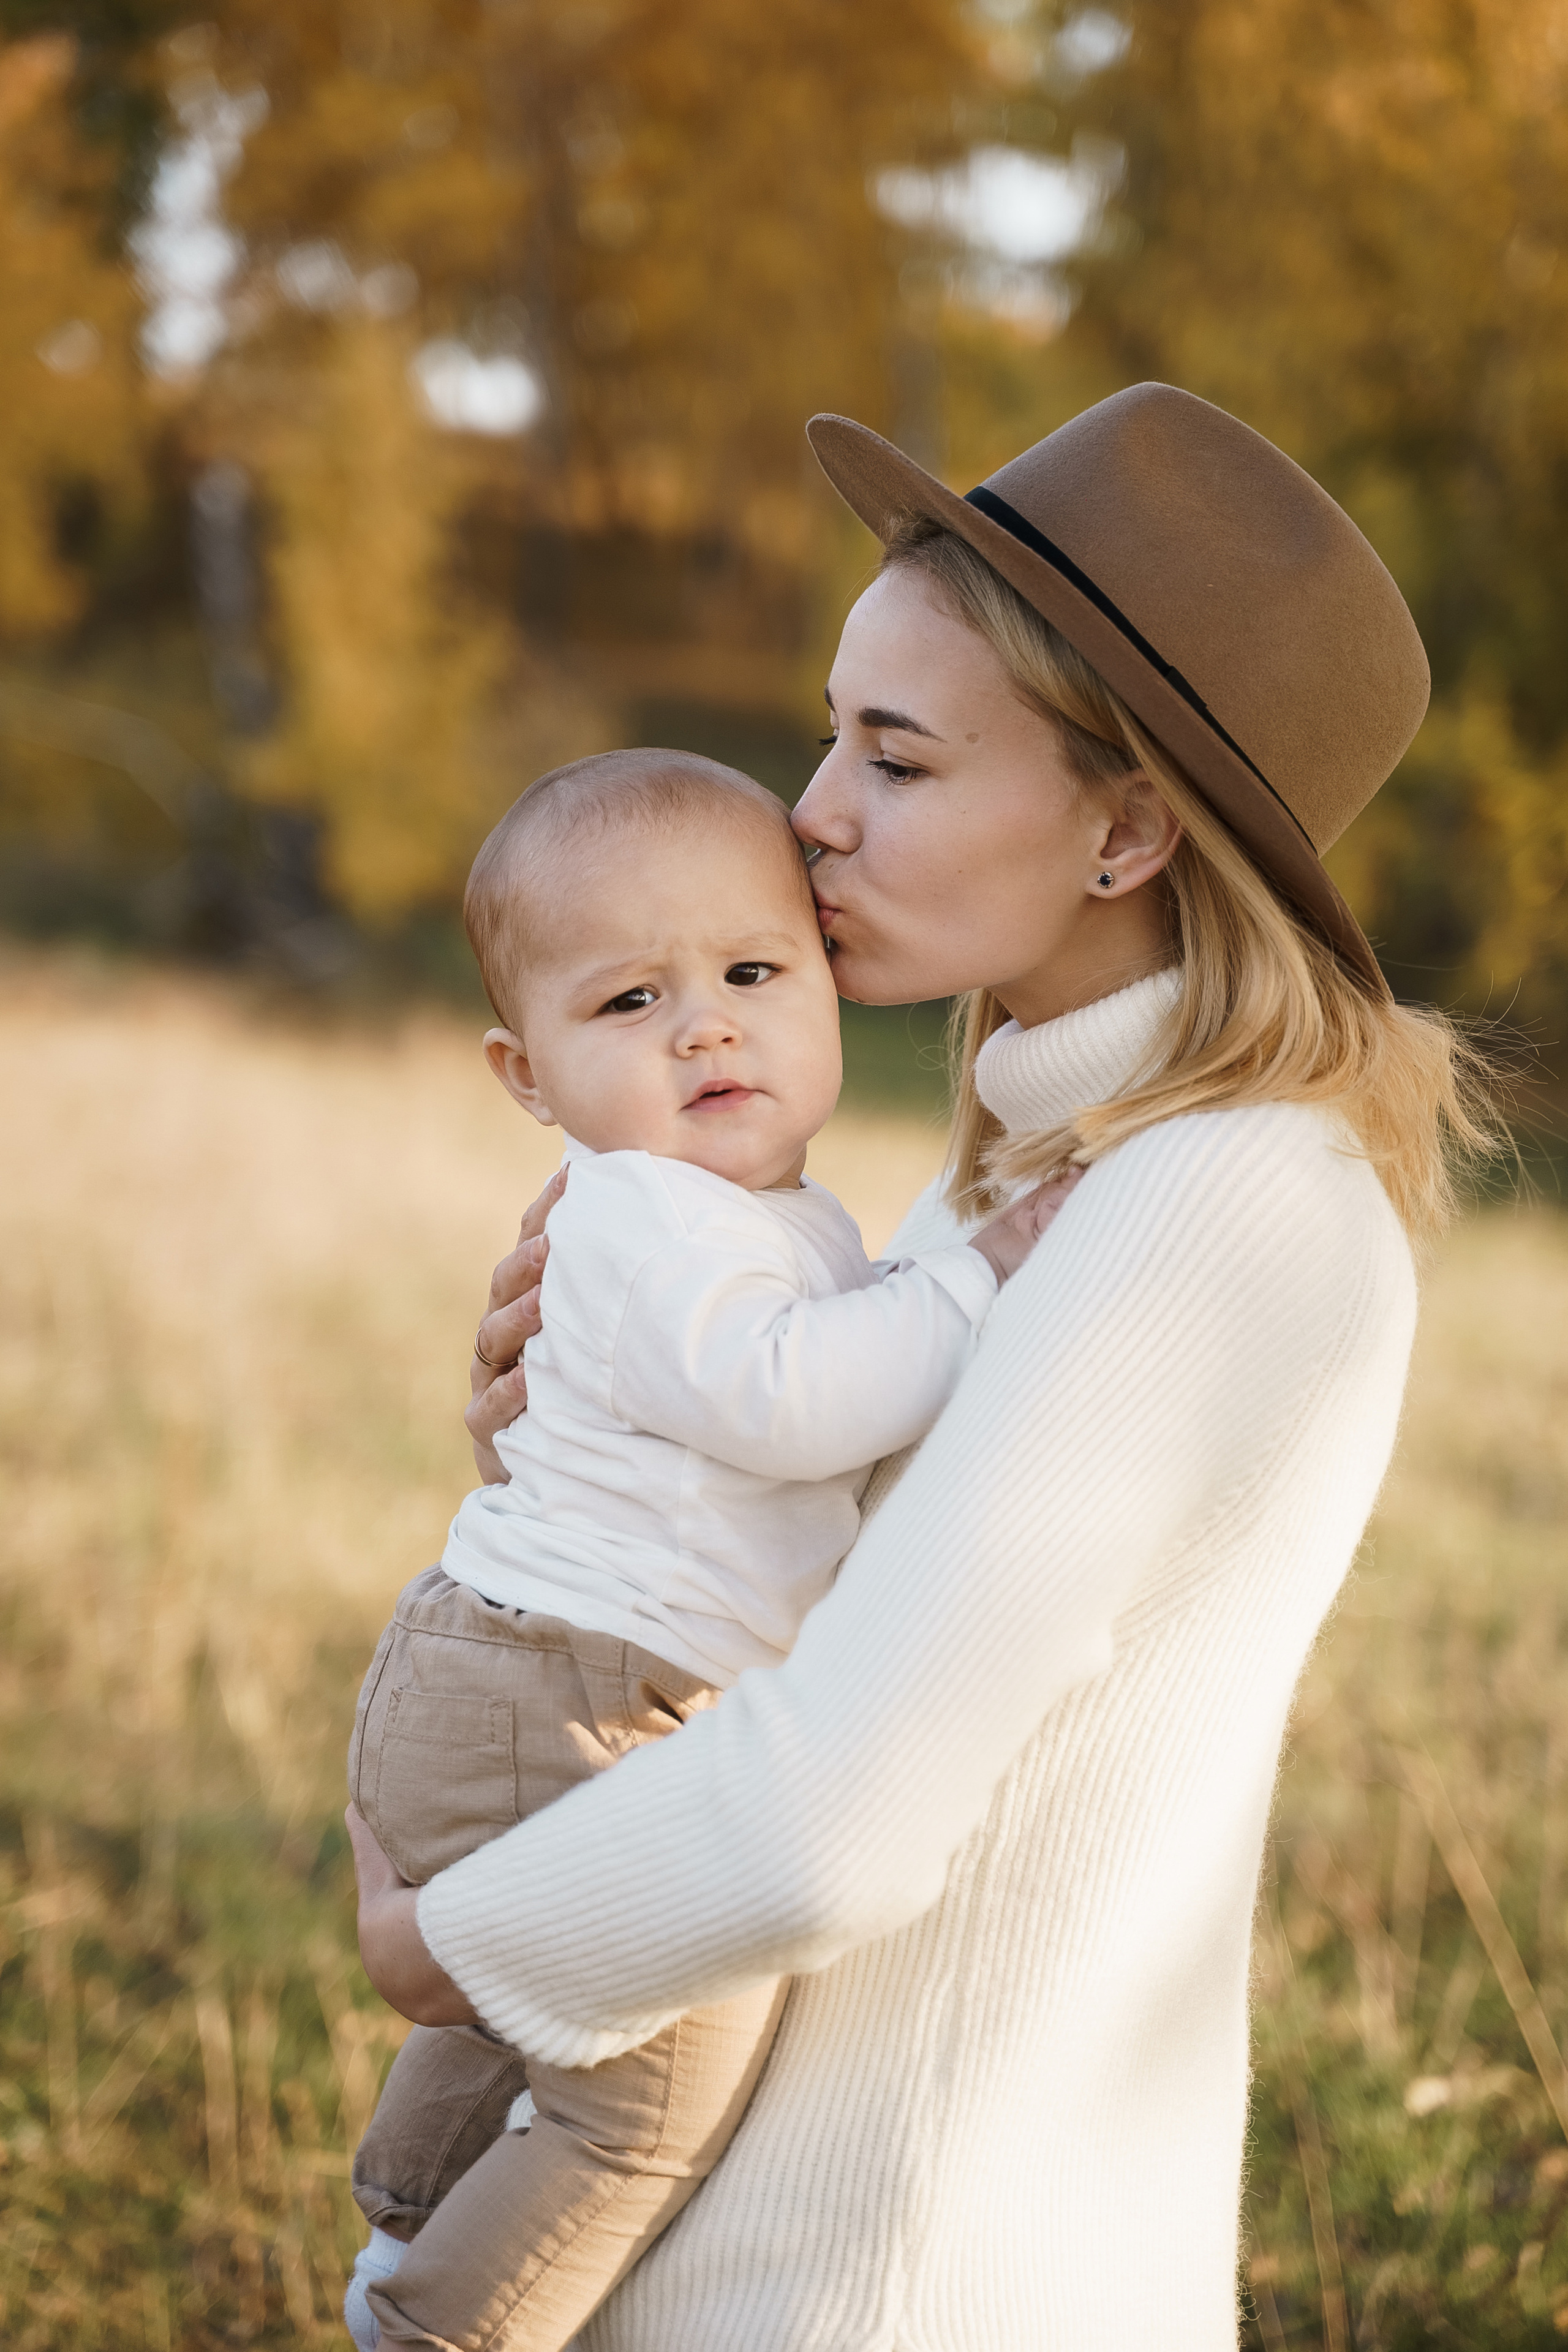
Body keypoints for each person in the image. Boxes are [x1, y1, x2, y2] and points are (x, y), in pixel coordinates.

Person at [348, 385, 1493, 2350]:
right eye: (828, 731)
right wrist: (592, 1449)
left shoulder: (1213, 1204)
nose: (811, 811)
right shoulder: (1047, 1167)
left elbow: (827, 1821)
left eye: (896, 755)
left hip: (884, 2275)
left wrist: (436, 1943)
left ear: (1130, 826)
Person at [342, 747, 1063, 2352]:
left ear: (824, 982)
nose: (706, 1024)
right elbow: (785, 1401)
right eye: (629, 1004)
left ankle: (411, 2204)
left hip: (545, 1669)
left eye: (751, 971)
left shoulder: (764, 1212)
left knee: (559, 2020)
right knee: (650, 2106)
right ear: (524, 1075)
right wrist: (974, 1286)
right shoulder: (648, 1211)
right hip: (580, 1698)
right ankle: (436, 2325)